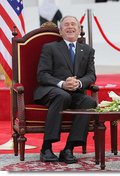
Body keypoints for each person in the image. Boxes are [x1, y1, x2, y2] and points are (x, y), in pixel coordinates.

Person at [34, 15, 97, 164]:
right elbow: (42, 75)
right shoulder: (50, 48)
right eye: (66, 25)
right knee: (63, 96)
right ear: (61, 31)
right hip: (51, 90)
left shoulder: (87, 50)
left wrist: (79, 83)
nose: (70, 27)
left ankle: (68, 149)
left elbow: (91, 75)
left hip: (75, 92)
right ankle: (46, 148)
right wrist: (62, 83)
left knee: (89, 102)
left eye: (73, 24)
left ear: (79, 29)